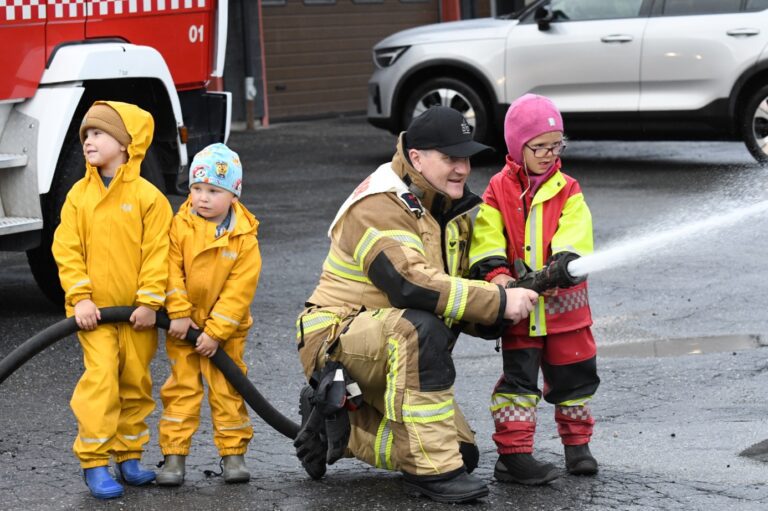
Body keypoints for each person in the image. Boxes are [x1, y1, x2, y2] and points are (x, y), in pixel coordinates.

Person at [293, 106, 539, 504]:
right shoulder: (378, 203)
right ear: (416, 157)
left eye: (465, 158)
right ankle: (433, 472)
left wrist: (505, 295)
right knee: (420, 327)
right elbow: (409, 285)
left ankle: (341, 428)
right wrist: (496, 302)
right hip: (336, 337)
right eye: (450, 158)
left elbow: (456, 294)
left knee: (463, 454)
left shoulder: (448, 212)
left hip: (394, 347)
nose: (462, 168)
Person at [469, 94, 600, 485]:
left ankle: (577, 446)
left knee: (574, 381)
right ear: (517, 147)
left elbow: (577, 232)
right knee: (518, 384)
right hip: (520, 313)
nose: (548, 154)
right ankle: (513, 455)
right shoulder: (496, 189)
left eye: (555, 145)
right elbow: (487, 240)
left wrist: (563, 260)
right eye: (538, 146)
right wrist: (499, 279)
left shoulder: (569, 189)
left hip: (567, 315)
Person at [52, 101, 173, 499]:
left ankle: (129, 455)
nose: (89, 140)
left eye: (99, 133)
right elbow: (66, 250)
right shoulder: (77, 197)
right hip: (94, 315)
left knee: (135, 383)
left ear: (125, 143)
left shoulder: (149, 198)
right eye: (86, 134)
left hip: (137, 315)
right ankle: (95, 461)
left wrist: (149, 302)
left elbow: (159, 253)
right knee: (101, 382)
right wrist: (81, 298)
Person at [156, 143, 262, 486]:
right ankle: (174, 457)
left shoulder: (244, 238)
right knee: (181, 390)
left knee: (227, 391)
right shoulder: (180, 225)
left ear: (233, 194)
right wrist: (179, 312)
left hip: (225, 334)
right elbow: (171, 269)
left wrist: (216, 332)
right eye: (196, 188)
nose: (202, 197)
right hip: (183, 327)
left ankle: (233, 456)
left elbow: (239, 291)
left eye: (214, 191)